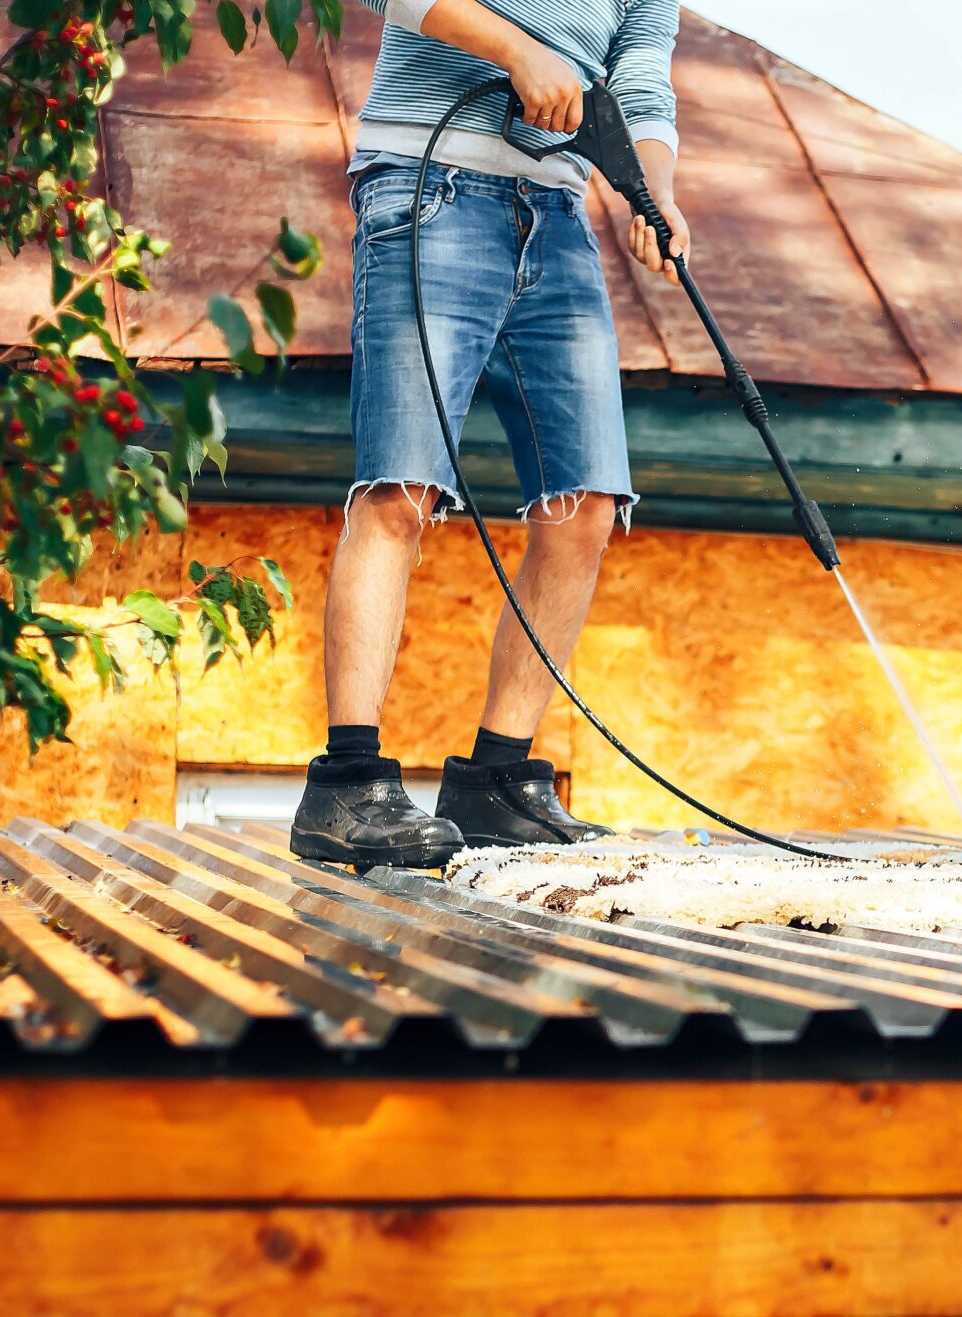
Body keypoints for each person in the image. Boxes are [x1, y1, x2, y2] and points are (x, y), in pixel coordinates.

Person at [289, 0, 689, 867]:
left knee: (585, 505)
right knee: (401, 490)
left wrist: (651, 188)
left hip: (557, 214)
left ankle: (495, 781)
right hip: (428, 186)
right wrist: (514, 49)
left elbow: (643, 80)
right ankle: (345, 786)